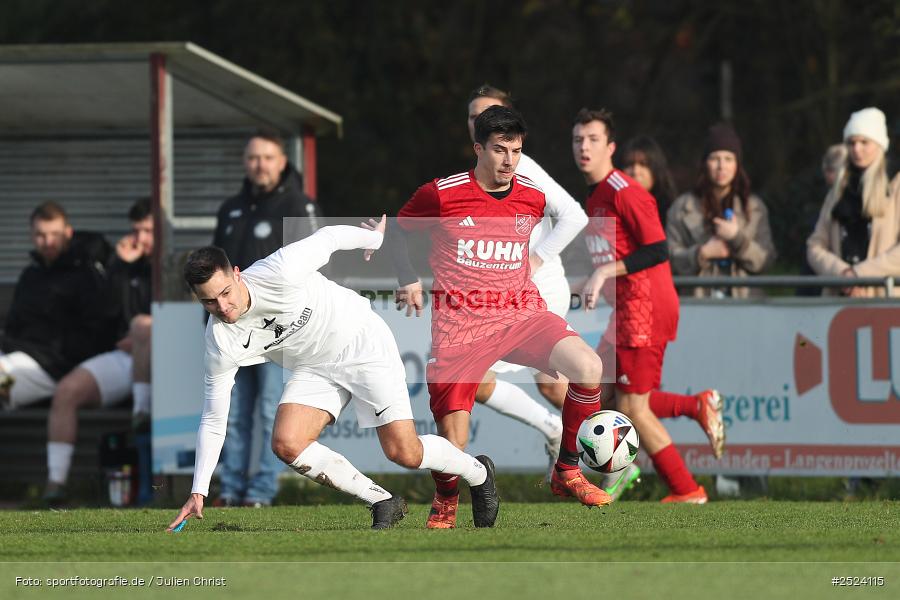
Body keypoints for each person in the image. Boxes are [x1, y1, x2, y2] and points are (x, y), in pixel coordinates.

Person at [166, 219, 498, 532]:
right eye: (209, 302)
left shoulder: (280, 269)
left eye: (225, 293)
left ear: (237, 275)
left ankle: (479, 473)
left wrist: (375, 239)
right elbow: (213, 419)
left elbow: (330, 238)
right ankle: (382, 501)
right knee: (287, 443)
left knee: (404, 453)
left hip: (361, 341)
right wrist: (199, 491)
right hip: (315, 366)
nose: (223, 308)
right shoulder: (219, 342)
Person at [390, 105, 611, 529]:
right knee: (453, 441)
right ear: (478, 148)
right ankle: (447, 496)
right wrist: (407, 279)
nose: (509, 160)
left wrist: (541, 260)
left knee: (589, 367)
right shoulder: (442, 194)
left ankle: (567, 470)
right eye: (499, 150)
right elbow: (400, 229)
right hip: (461, 328)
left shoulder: (532, 196)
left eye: (516, 150)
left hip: (520, 313)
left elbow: (569, 222)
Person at [574, 108, 708, 504]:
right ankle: (620, 467)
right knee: (600, 393)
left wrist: (603, 274)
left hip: (644, 309)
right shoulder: (595, 194)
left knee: (634, 406)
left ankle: (686, 489)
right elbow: (612, 256)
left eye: (593, 140)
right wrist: (588, 280)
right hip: (626, 311)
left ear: (610, 146)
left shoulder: (625, 190)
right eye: (578, 140)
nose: (584, 147)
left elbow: (658, 249)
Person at [466, 85, 589, 479]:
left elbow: (574, 216)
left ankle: (573, 436)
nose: (479, 122)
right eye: (473, 117)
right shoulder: (478, 173)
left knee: (471, 377)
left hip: (540, 293)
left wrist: (535, 260)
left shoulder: (522, 167)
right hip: (510, 297)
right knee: (556, 388)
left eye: (488, 114)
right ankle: (617, 449)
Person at [211, 130, 323, 507]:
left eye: (268, 158)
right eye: (253, 158)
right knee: (232, 414)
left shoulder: (299, 205)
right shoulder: (230, 208)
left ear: (282, 163)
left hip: (277, 331)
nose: (260, 165)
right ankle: (229, 489)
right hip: (232, 330)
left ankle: (260, 492)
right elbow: (215, 270)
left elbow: (316, 267)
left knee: (266, 412)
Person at [42, 198, 154, 504]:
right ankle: (55, 484)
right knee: (66, 391)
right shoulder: (125, 265)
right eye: (135, 230)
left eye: (147, 230)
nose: (140, 238)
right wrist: (119, 267)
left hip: (169, 360)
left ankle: (141, 411)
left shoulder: (178, 264)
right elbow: (105, 313)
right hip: (128, 359)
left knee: (144, 326)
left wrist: (144, 333)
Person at [1, 202, 111, 410]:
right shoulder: (29, 275)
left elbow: (94, 336)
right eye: (41, 235)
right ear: (32, 236)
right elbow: (14, 323)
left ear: (68, 233)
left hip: (53, 370)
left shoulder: (86, 277)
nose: (48, 241)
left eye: (54, 234)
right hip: (16, 359)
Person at [666, 123, 777, 298]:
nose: (721, 166)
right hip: (697, 308)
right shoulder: (681, 208)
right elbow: (668, 260)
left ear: (737, 164)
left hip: (745, 308)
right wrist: (701, 254)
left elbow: (766, 261)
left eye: (728, 159)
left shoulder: (755, 208)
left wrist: (737, 239)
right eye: (714, 158)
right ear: (704, 163)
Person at [807, 108, 900, 298]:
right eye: (851, 142)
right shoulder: (838, 191)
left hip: (885, 303)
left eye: (864, 142)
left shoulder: (896, 187)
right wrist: (841, 274)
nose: (857, 149)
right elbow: (815, 245)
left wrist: (860, 274)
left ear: (879, 144)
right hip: (839, 303)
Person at [620, 135, 678, 227]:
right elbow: (596, 241)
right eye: (629, 165)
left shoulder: (674, 211)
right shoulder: (606, 206)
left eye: (643, 164)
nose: (635, 171)